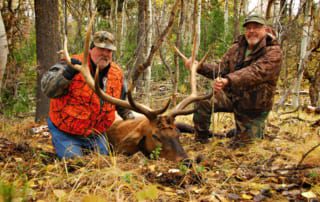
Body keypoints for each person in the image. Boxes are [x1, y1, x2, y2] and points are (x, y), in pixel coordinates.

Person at [184, 14, 282, 146]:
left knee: (243, 147)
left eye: (256, 27)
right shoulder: (237, 48)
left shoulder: (274, 52)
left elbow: (255, 72)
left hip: (254, 105)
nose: (251, 31)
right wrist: (199, 67)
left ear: (265, 29)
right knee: (203, 102)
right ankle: (201, 140)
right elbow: (220, 69)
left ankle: (249, 131)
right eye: (248, 28)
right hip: (233, 97)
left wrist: (228, 81)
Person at [41, 31, 134, 159]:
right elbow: (47, 89)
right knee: (74, 163)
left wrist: (132, 120)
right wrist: (67, 74)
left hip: (96, 133)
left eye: (109, 51)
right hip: (66, 130)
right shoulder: (70, 64)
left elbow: (120, 103)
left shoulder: (117, 74)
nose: (105, 54)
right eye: (101, 49)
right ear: (91, 49)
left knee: (103, 163)